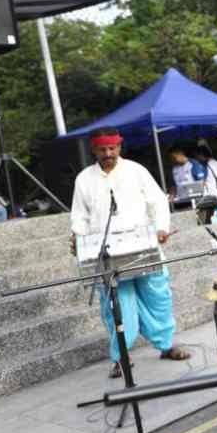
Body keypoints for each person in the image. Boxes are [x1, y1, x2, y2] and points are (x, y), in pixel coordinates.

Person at [71, 127, 190, 378]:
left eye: (112, 148)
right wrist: (78, 240)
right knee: (117, 307)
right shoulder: (84, 179)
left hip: (143, 246)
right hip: (108, 254)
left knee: (158, 298)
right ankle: (120, 358)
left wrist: (161, 228)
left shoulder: (136, 171)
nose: (108, 154)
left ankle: (166, 345)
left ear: (119, 147)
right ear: (94, 150)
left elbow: (158, 201)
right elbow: (80, 217)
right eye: (102, 149)